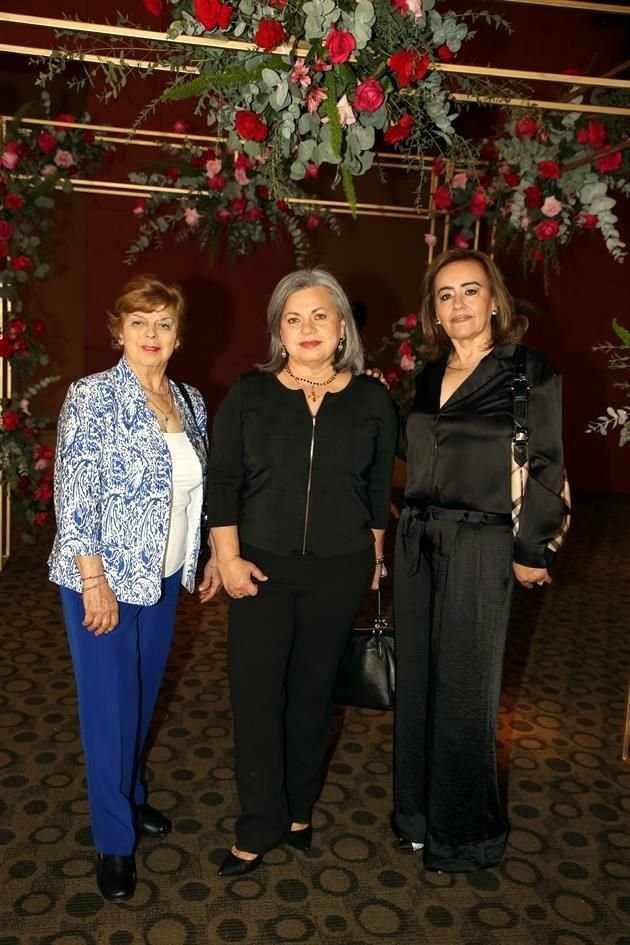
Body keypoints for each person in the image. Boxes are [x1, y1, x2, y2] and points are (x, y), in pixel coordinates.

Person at [199, 268, 398, 877]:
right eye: (293, 317)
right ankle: (259, 821)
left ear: (342, 327)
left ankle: (298, 811)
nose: (306, 328)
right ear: (278, 331)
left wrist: (377, 558)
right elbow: (224, 480)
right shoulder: (250, 393)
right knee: (257, 697)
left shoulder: (371, 399)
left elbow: (375, 487)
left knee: (313, 696)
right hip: (259, 566)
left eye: (319, 315)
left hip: (340, 569)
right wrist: (227, 557)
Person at [393, 249, 567, 872]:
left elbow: (546, 461)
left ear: (495, 301)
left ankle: (464, 833)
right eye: (445, 295)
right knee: (416, 683)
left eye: (471, 291)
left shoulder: (529, 371)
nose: (458, 304)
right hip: (418, 538)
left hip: (483, 543)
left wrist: (531, 547)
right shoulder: (425, 376)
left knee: (466, 689)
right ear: (433, 311)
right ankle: (415, 814)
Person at [48, 274, 212, 901]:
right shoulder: (92, 397)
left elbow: (196, 489)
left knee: (141, 700)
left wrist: (202, 558)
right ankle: (114, 841)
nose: (151, 334)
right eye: (138, 322)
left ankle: (130, 793)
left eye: (164, 323)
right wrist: (93, 579)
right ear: (118, 330)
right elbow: (76, 492)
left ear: (177, 336)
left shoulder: (192, 401)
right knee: (108, 708)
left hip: (164, 575)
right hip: (103, 579)